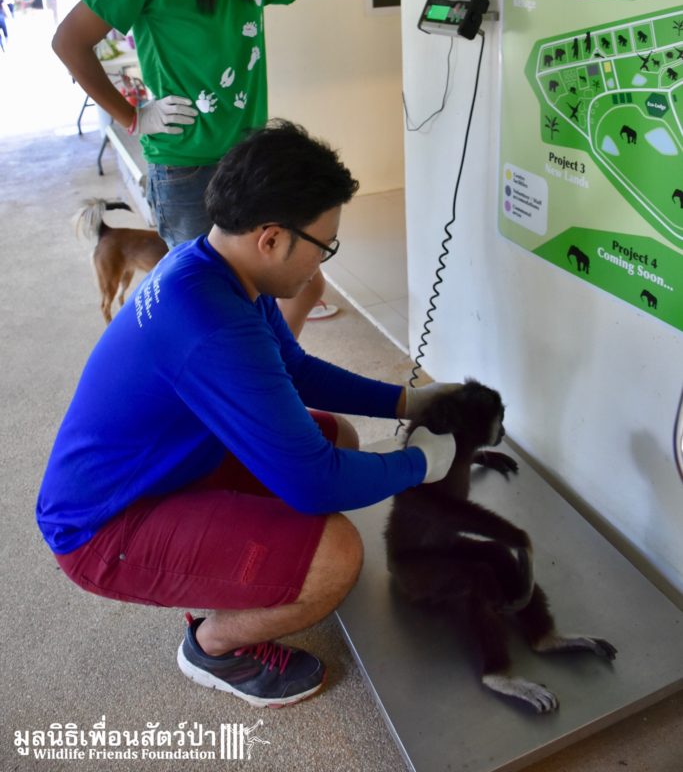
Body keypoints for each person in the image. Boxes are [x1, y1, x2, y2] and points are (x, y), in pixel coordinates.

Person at [36, 120, 459, 709]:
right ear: (271, 239)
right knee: (336, 557)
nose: (321, 263)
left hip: (158, 470)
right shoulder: (211, 324)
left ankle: (232, 558)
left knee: (335, 434)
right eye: (323, 245)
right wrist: (421, 465)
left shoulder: (208, 265)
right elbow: (315, 485)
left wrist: (405, 402)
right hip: (101, 529)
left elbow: (295, 369)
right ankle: (212, 647)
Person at [52, 0, 442, 335]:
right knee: (210, 313)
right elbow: (69, 40)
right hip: (187, 168)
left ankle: (277, 370)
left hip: (250, 161)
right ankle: (230, 385)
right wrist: (133, 116)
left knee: (302, 286)